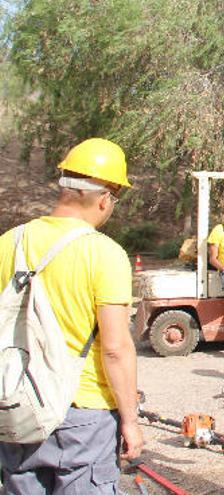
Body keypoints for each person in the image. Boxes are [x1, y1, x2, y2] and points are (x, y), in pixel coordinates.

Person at [0, 138, 143, 493]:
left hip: (18, 409)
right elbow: (115, 349)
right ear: (105, 197)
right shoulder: (104, 254)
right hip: (83, 415)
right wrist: (130, 421)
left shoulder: (9, 243)